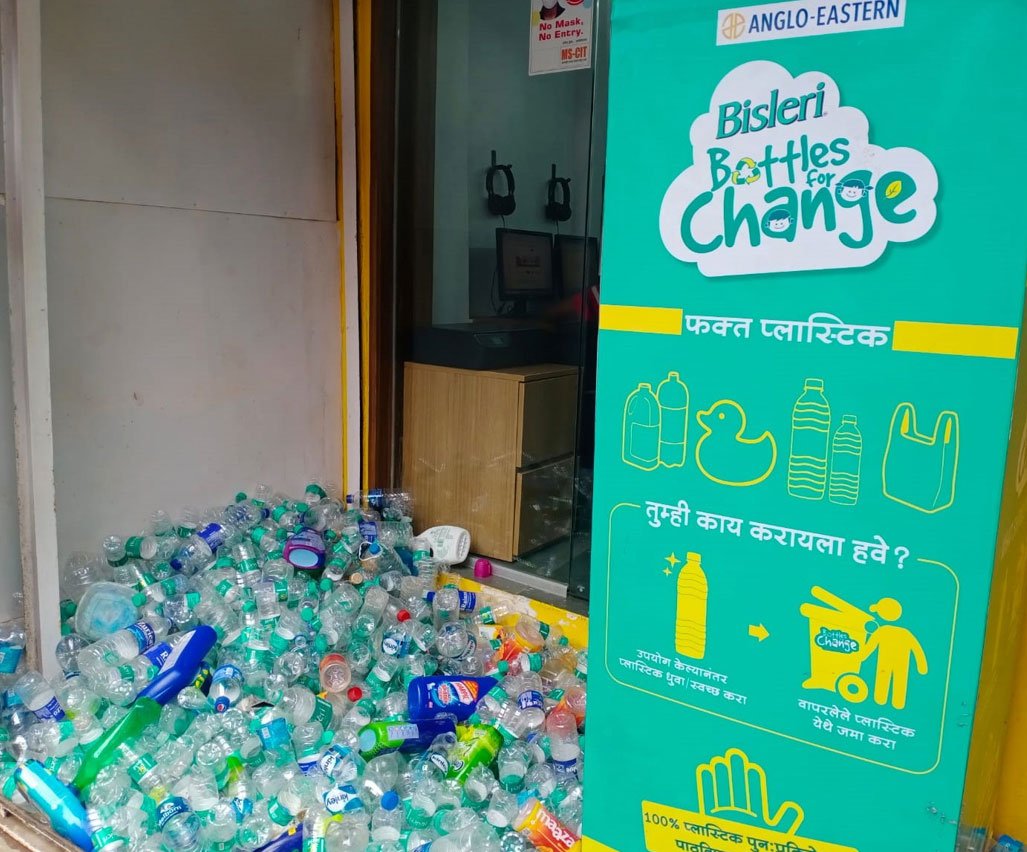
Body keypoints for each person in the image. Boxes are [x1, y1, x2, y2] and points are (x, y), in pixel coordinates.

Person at [860, 598, 927, 710]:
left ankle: (881, 699)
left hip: (888, 663)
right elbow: (917, 650)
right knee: (897, 680)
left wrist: (861, 657)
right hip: (895, 663)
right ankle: (896, 703)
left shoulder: (883, 631)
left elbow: (870, 647)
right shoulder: (904, 633)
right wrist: (921, 667)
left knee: (886, 679)